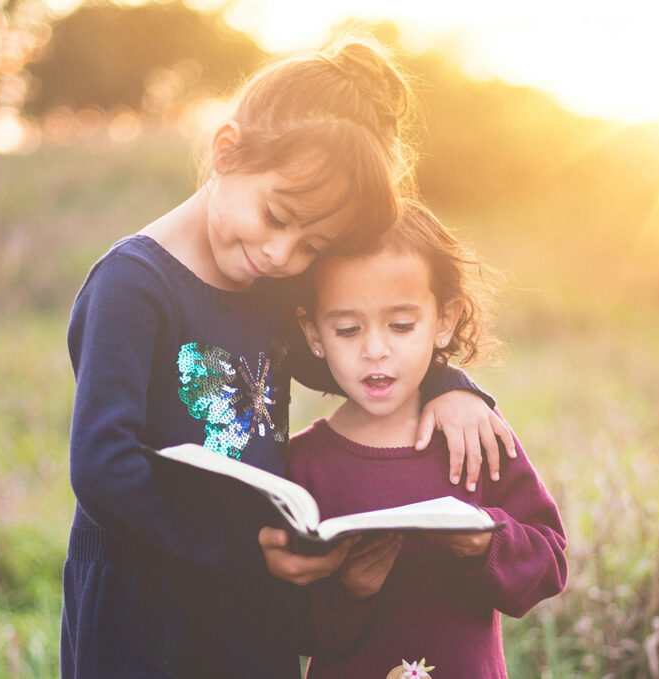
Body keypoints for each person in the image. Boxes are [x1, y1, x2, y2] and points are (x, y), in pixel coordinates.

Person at [61, 39, 516, 679]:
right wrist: (245, 553)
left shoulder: (266, 287)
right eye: (276, 216)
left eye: (312, 244)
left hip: (252, 597)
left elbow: (352, 363)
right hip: (147, 600)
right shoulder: (133, 286)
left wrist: (449, 384)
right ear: (226, 151)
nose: (282, 254)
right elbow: (103, 468)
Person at [289, 199, 568, 679]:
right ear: (313, 331)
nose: (376, 350)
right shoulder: (301, 464)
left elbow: (549, 565)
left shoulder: (475, 435)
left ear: (444, 320)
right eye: (347, 329)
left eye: (401, 325)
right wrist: (347, 591)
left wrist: (487, 541)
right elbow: (283, 624)